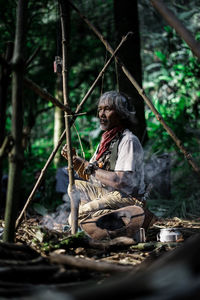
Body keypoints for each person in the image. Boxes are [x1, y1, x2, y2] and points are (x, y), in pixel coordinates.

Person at [61, 91, 155, 240]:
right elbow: (89, 174)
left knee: (75, 215)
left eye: (107, 109)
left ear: (121, 113)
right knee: (75, 186)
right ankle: (105, 221)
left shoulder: (128, 140)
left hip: (126, 197)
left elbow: (119, 181)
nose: (101, 114)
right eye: (100, 109)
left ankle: (126, 219)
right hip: (107, 193)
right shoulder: (106, 141)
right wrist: (75, 161)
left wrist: (88, 165)